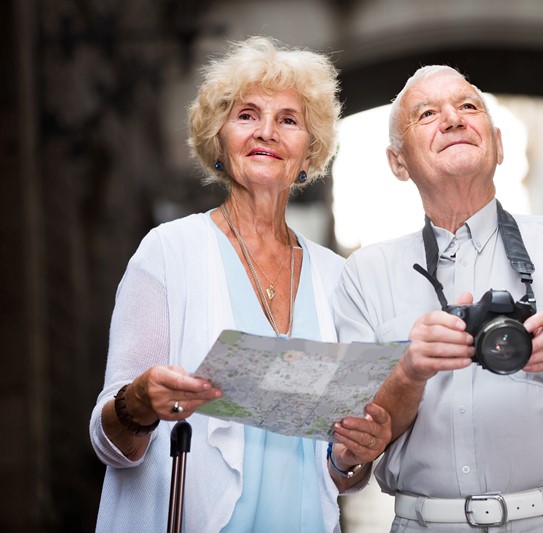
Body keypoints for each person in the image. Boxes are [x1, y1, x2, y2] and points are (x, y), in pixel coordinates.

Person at [333, 65, 543, 531]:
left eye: (468, 106)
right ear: (398, 162)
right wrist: (410, 371)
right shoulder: (364, 275)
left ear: (499, 144)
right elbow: (352, 445)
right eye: (427, 114)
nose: (452, 119)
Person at [89, 36, 391, 532]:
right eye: (247, 115)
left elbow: (339, 474)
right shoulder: (168, 252)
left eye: (288, 120)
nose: (266, 132)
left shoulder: (337, 278)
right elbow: (108, 441)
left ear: (310, 151)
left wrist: (354, 454)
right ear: (219, 139)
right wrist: (137, 402)